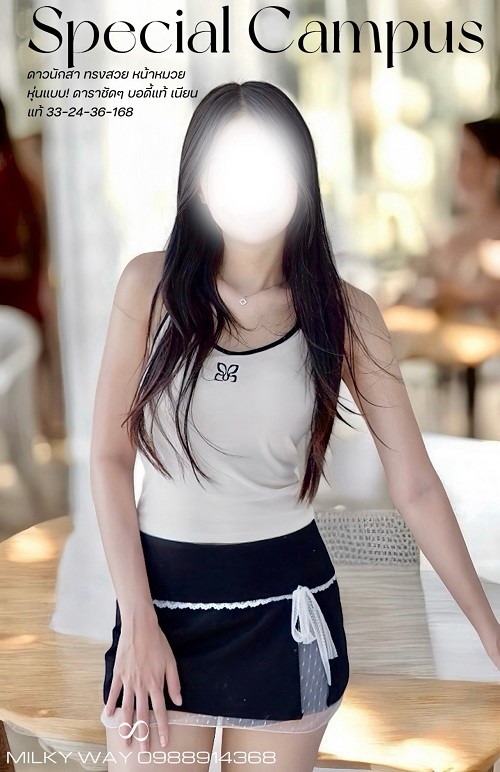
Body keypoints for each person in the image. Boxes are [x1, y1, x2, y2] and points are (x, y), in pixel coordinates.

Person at [91, 81, 500, 771]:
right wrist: (137, 619)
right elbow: (108, 455)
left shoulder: (346, 312)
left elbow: (417, 487)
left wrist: (490, 631)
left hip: (288, 613)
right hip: (159, 609)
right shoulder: (148, 287)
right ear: (199, 179)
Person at [399, 116, 500, 323]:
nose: (457, 167)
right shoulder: (453, 231)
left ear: (493, 165)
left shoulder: (491, 240)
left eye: (466, 157)